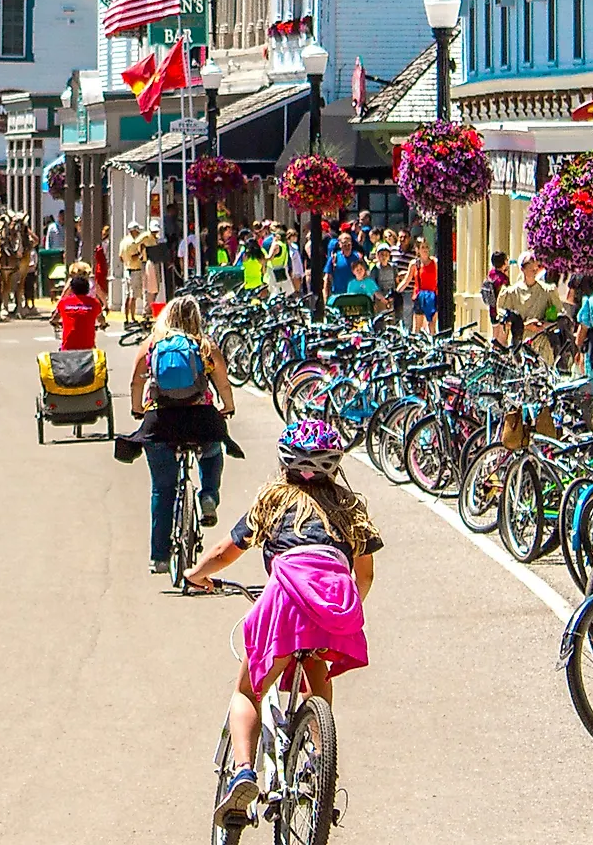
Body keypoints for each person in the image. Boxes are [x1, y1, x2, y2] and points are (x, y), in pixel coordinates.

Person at [186, 419, 377, 829]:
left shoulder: (274, 501)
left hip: (285, 601)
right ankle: (319, 764)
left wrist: (197, 574)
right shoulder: (349, 507)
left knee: (248, 690)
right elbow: (365, 575)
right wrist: (344, 610)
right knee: (316, 670)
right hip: (334, 604)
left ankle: (243, 773)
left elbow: (224, 552)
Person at [127, 298, 234, 574]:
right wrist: (228, 406)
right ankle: (208, 495)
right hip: (199, 418)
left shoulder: (152, 344)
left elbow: (137, 381)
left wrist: (137, 408)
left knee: (162, 488)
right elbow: (223, 382)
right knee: (212, 450)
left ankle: (160, 557)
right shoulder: (204, 345)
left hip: (160, 421)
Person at [53, 266, 104, 353]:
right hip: (88, 348)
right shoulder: (95, 303)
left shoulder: (64, 302)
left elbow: (55, 318)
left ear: (72, 289)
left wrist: (54, 322)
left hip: (68, 347)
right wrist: (103, 324)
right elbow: (101, 318)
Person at [407, 237, 439, 333]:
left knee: (432, 325)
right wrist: (397, 290)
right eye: (422, 247)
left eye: (426, 247)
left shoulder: (435, 262)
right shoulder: (415, 264)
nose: (425, 250)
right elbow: (407, 279)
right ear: (417, 250)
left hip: (432, 296)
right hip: (420, 296)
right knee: (417, 326)